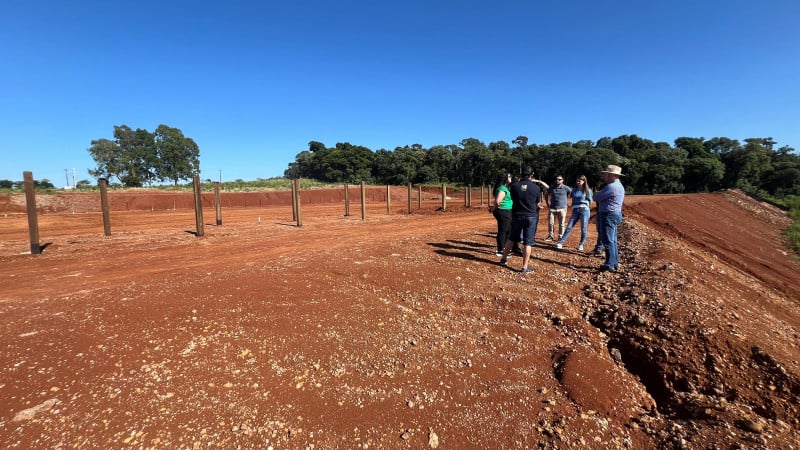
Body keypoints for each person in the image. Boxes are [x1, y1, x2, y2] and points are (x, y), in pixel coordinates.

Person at [499, 167, 547, 274]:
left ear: (521, 175)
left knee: (511, 239)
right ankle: (524, 267)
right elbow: (536, 202)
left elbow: (513, 198)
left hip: (516, 215)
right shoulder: (536, 188)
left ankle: (503, 259)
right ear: (532, 175)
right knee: (527, 243)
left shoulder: (514, 186)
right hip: (530, 216)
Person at [594, 165, 625, 272]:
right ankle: (614, 262)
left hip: (608, 215)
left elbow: (596, 197)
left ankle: (609, 264)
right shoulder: (618, 186)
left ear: (611, 175)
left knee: (608, 240)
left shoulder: (611, 187)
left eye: (605, 174)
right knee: (613, 240)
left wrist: (597, 194)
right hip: (614, 214)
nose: (603, 176)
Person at [554, 175, 593, 251]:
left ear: (584, 181)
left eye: (580, 181)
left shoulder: (588, 190)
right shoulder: (574, 190)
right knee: (569, 227)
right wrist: (571, 205)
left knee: (584, 228)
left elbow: (590, 201)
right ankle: (560, 243)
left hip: (584, 210)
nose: (578, 182)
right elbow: (570, 198)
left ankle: (581, 244)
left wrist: (585, 206)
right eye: (577, 181)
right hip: (575, 210)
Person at [489, 173, 513, 256]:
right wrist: (493, 209)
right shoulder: (502, 189)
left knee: (508, 230)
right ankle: (500, 250)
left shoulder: (505, 187)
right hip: (503, 211)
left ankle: (504, 248)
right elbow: (498, 201)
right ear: (505, 179)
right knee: (503, 231)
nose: (511, 178)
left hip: (506, 211)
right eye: (509, 176)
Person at [544, 175, 571, 241]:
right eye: (557, 179)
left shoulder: (566, 188)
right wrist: (547, 203)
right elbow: (546, 195)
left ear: (562, 180)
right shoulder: (552, 188)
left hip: (562, 209)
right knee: (551, 223)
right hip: (552, 208)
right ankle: (550, 236)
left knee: (561, 224)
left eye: (559, 179)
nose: (558, 180)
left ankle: (560, 237)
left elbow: (572, 193)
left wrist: (570, 203)